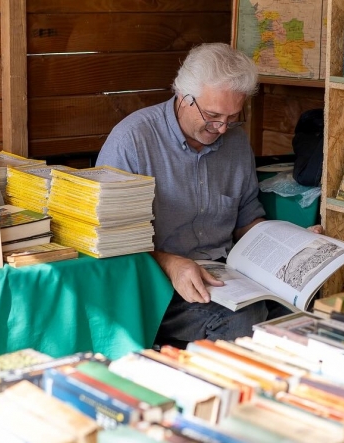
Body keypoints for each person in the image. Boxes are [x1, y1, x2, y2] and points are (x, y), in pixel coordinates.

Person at [96, 43, 288, 345]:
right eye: (212, 115)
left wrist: (291, 245)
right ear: (183, 97)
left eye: (233, 117)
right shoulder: (132, 141)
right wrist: (170, 263)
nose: (223, 128)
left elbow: (247, 218)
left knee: (298, 312)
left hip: (225, 274)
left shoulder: (235, 142)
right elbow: (109, 241)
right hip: (155, 284)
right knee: (244, 321)